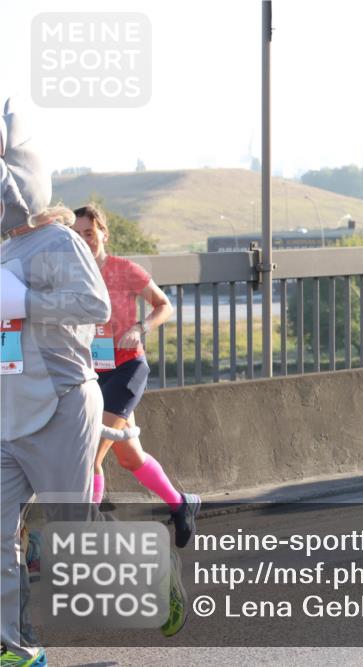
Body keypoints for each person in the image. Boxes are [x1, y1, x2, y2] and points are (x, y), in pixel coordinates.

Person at [1, 98, 111, 666]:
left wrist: (27, 302)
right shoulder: (2, 250)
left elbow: (94, 303)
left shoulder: (61, 241)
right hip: (9, 414)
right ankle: (14, 648)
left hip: (65, 406)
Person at [70, 203, 200, 552]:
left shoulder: (123, 270)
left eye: (90, 233)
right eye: (78, 235)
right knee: (129, 457)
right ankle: (180, 503)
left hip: (128, 370)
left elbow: (164, 305)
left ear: (103, 234)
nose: (85, 240)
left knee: (91, 456)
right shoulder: (72, 275)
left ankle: (84, 538)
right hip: (92, 374)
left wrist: (141, 327)